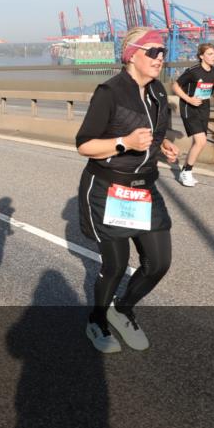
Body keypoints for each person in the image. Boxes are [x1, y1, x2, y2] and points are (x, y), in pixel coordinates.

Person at [75, 27, 179, 354]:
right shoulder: (109, 92)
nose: (160, 58)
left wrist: (163, 148)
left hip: (144, 187)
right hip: (110, 188)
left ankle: (121, 309)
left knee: (159, 262)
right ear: (131, 54)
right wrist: (125, 143)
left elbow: (152, 135)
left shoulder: (158, 92)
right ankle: (97, 321)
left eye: (162, 52)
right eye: (152, 51)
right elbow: (84, 145)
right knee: (116, 266)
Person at [172, 43, 214, 187]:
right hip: (189, 107)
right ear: (201, 56)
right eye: (210, 54)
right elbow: (175, 86)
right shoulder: (193, 71)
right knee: (201, 141)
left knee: (199, 142)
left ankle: (186, 171)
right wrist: (189, 99)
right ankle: (186, 172)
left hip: (204, 108)